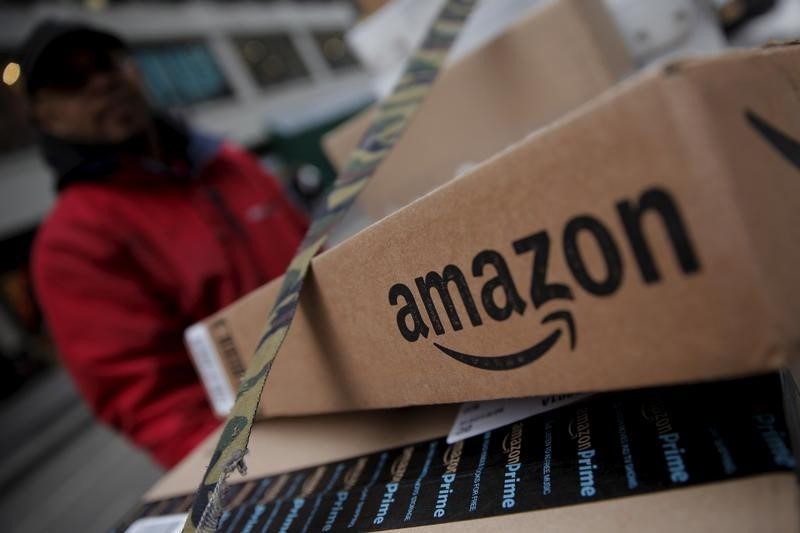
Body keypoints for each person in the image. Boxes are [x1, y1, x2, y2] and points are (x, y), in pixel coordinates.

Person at [23, 21, 309, 468]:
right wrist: (254, 472)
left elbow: (316, 258)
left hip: (361, 388)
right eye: (71, 80)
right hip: (276, 451)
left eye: (105, 64)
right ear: (45, 114)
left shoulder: (229, 163)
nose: (101, 82)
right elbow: (154, 404)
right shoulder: (74, 240)